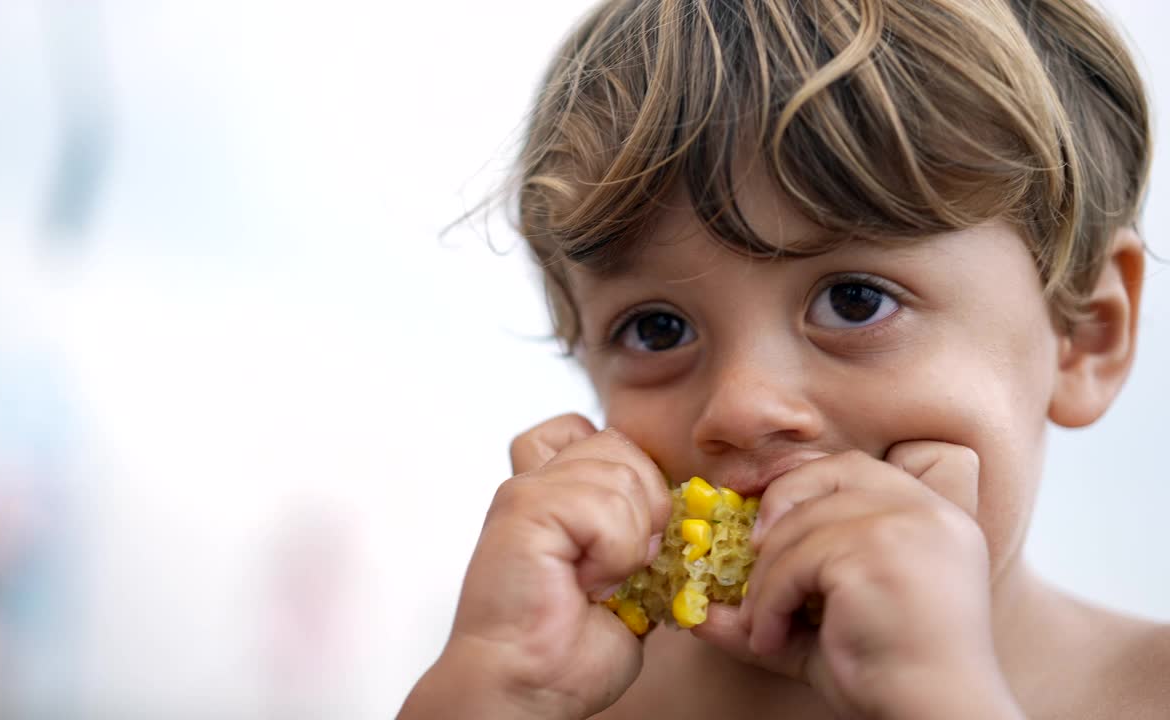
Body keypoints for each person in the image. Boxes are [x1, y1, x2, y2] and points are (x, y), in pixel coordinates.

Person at [400, 0, 1167, 717]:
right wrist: (498, 685)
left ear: (1087, 337)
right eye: (658, 330)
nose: (741, 406)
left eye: (856, 301)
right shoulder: (550, 693)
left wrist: (936, 694)